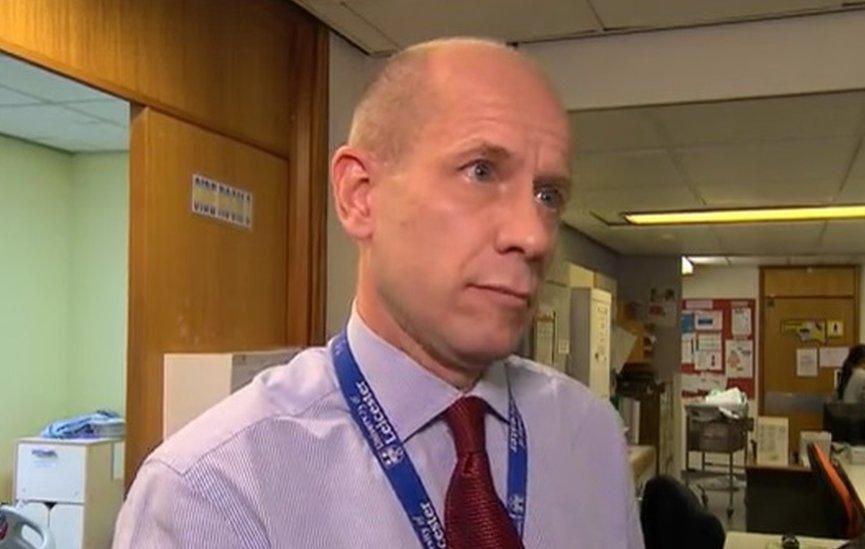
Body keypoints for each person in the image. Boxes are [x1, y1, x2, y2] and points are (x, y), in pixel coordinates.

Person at [113, 38, 643, 548]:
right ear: (359, 196)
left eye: (548, 194)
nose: (531, 235)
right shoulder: (211, 496)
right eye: (481, 171)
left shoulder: (590, 436)